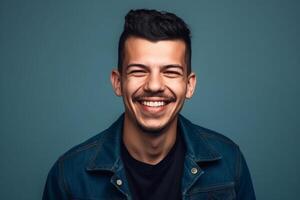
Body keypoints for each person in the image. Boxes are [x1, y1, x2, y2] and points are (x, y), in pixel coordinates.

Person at [43, 9, 255, 200]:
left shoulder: (229, 162)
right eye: (139, 71)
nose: (154, 85)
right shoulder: (68, 176)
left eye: (170, 72)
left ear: (189, 86)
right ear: (118, 82)